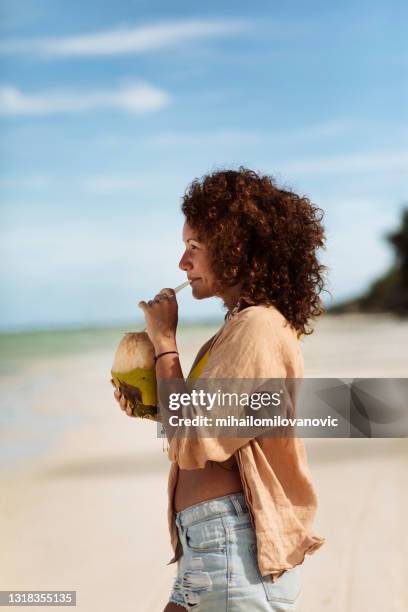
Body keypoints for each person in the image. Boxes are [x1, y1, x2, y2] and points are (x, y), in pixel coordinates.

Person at [114, 168, 326, 611]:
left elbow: (191, 438)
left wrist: (166, 344)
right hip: (207, 546)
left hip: (229, 547)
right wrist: (151, 406)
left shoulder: (259, 328)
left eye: (195, 247)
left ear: (235, 250)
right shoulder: (235, 331)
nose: (182, 263)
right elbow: (213, 428)